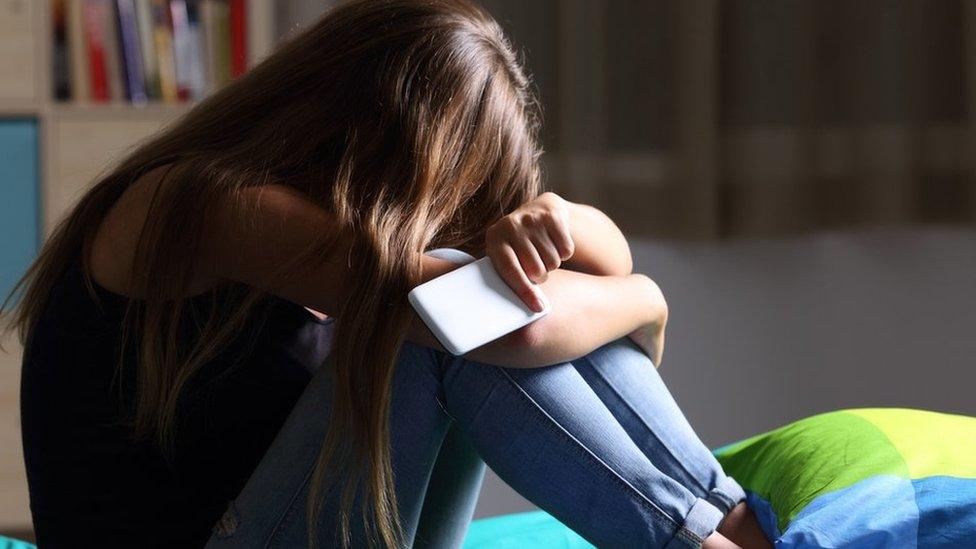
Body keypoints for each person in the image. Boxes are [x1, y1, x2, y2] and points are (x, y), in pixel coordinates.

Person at [7, 1, 771, 547]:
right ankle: (708, 533)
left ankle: (731, 520)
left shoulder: (341, 224)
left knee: (472, 307)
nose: (446, 222)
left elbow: (593, 262)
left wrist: (556, 218)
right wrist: (645, 299)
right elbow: (506, 323)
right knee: (446, 329)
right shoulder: (207, 204)